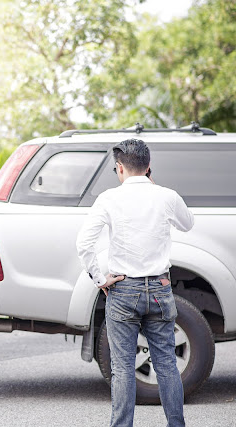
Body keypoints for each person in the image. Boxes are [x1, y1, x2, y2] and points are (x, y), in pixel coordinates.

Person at [76, 138, 194, 427]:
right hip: (159, 289)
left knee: (123, 368)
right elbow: (188, 224)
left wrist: (99, 278)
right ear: (149, 167)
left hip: (123, 289)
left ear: (119, 168)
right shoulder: (166, 196)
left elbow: (84, 243)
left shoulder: (108, 198)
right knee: (166, 364)